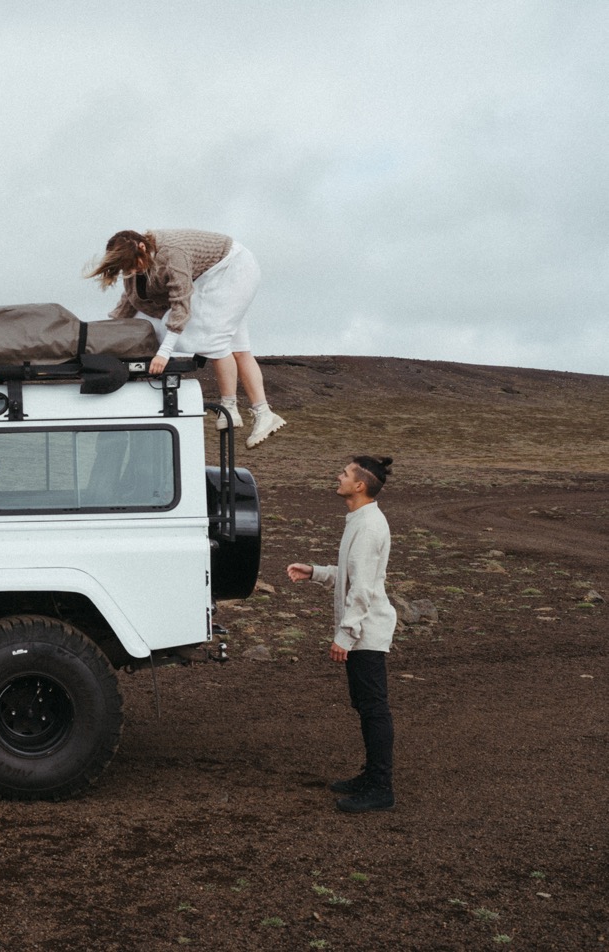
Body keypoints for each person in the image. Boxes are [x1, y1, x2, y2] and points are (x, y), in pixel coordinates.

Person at [88, 229, 286, 448]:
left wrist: (164, 353)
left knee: (213, 339)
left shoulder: (172, 255)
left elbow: (181, 305)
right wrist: (103, 339)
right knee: (238, 349)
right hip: (211, 275)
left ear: (141, 247)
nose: (132, 271)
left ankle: (230, 407)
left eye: (132, 265)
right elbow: (128, 303)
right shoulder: (136, 266)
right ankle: (264, 413)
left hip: (232, 268)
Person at [286, 455, 398, 813]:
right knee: (366, 707)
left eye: (345, 473)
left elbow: (363, 589)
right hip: (362, 631)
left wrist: (345, 636)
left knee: (374, 709)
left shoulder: (368, 526)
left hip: (366, 632)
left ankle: (381, 787)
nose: (339, 476)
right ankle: (371, 777)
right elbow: (353, 573)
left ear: (360, 485)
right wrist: (315, 572)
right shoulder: (360, 520)